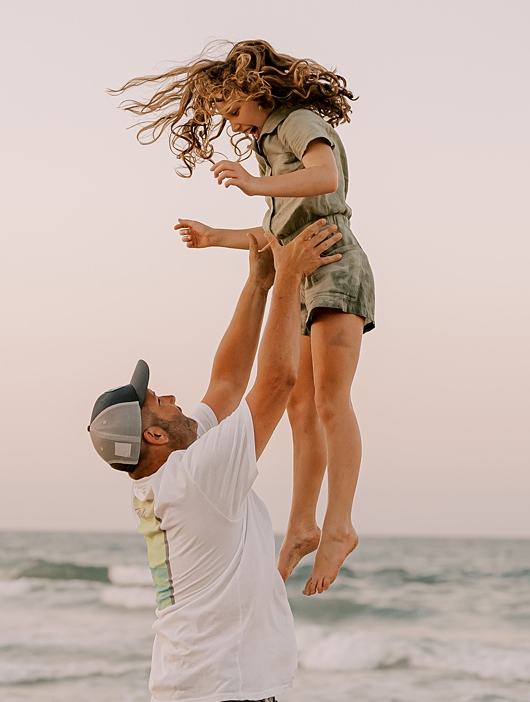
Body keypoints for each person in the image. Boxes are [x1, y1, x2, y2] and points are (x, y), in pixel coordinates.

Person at [115, 39, 375, 594]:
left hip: (332, 264)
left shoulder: (299, 122)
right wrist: (218, 239)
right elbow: (275, 233)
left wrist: (256, 185)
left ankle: (339, 523)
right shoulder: (269, 142)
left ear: (256, 90)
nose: (233, 124)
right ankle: (302, 521)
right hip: (300, 269)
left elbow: (325, 178)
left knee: (329, 399)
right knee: (300, 405)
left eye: (233, 111)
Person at [87, 220, 341, 702]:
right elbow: (276, 383)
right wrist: (290, 274)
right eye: (160, 402)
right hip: (222, 690)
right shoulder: (194, 477)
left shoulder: (169, 474)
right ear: (155, 434)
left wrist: (259, 281)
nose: (175, 399)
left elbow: (226, 382)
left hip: (197, 684)